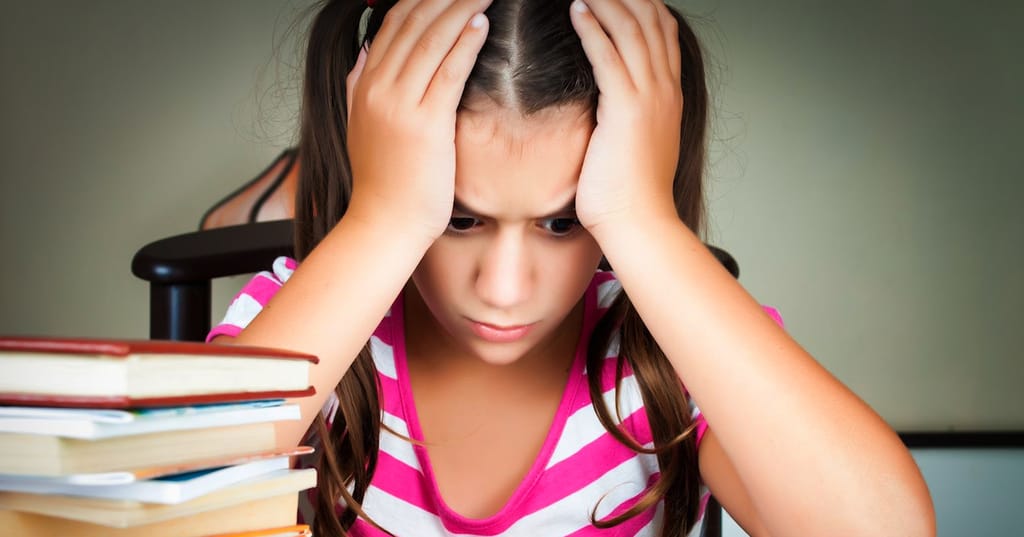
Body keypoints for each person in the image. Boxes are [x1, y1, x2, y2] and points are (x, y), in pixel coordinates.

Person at [208, 0, 935, 535]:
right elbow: (170, 496)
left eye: (563, 222)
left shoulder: (670, 353)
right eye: (458, 218)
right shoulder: (321, 326)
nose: (503, 288)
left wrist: (645, 222)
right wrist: (381, 219)